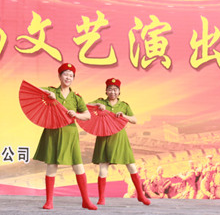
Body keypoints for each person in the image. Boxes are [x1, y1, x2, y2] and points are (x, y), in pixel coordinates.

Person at [32, 62, 97, 210]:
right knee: (52, 165)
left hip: (70, 133)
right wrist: (48, 95)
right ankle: (49, 201)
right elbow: (34, 90)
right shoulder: (51, 91)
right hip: (53, 132)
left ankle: (86, 200)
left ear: (73, 78)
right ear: (59, 76)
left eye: (71, 76)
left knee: (78, 166)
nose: (68, 78)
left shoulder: (76, 97)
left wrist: (77, 115)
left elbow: (87, 115)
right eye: (65, 75)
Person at [88, 78, 150, 206]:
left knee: (132, 167)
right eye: (110, 89)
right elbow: (85, 106)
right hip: (104, 137)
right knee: (103, 169)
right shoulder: (101, 101)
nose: (113, 92)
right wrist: (97, 105)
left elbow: (134, 120)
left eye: (115, 89)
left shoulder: (124, 105)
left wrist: (124, 116)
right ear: (106, 91)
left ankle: (140, 195)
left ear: (119, 92)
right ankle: (101, 198)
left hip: (120, 138)